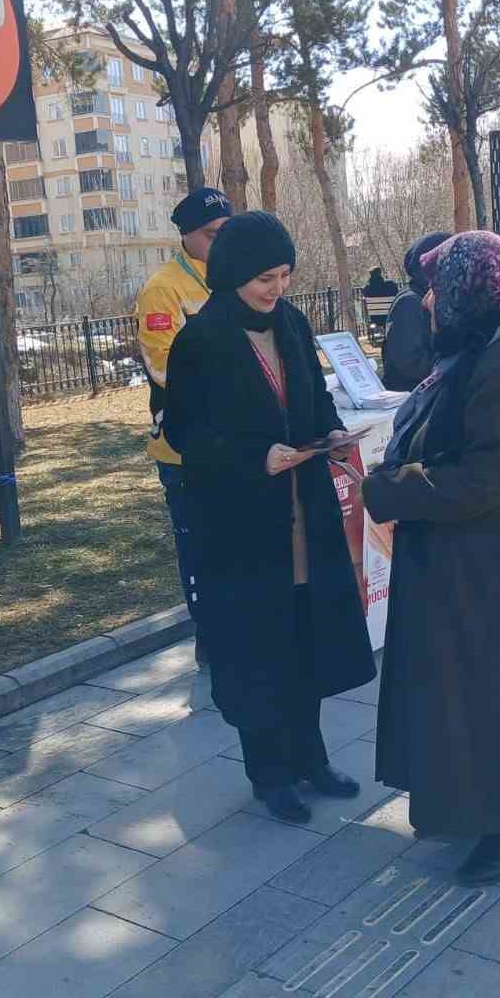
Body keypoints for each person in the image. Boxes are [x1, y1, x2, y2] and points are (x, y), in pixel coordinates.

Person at [355, 231, 500, 886]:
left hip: (496, 568)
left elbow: (483, 479)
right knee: (465, 694)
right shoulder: (486, 346)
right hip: (474, 560)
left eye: (436, 288)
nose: (427, 301)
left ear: (466, 290)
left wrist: (389, 490)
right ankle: (468, 810)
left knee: (498, 698)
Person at [164, 211, 376, 824]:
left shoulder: (292, 322)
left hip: (304, 516)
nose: (275, 287)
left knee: (304, 639)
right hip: (242, 527)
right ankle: (270, 773)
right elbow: (184, 433)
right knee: (260, 652)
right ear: (233, 273)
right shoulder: (202, 339)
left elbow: (314, 396)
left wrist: (329, 434)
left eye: (284, 274)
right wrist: (255, 457)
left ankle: (311, 758)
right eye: (264, 277)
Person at [137, 187, 234, 665]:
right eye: (213, 234)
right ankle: (211, 640)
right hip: (186, 449)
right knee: (199, 547)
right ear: (187, 236)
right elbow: (166, 370)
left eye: (226, 232)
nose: (222, 241)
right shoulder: (165, 288)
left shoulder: (231, 278)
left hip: (234, 444)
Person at [381, 231, 449, 391]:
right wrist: (453, 366)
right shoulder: (409, 302)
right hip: (408, 396)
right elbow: (410, 363)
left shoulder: (436, 298)